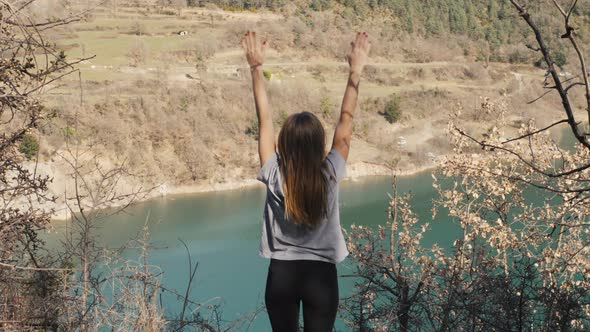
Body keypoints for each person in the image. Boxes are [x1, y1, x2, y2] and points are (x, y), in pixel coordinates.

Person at [241, 31, 371, 331]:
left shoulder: (274, 174)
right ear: (319, 144)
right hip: (321, 279)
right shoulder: (330, 174)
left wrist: (255, 68)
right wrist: (355, 72)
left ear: (283, 144)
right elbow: (345, 125)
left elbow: (264, 122)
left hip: (281, 276)